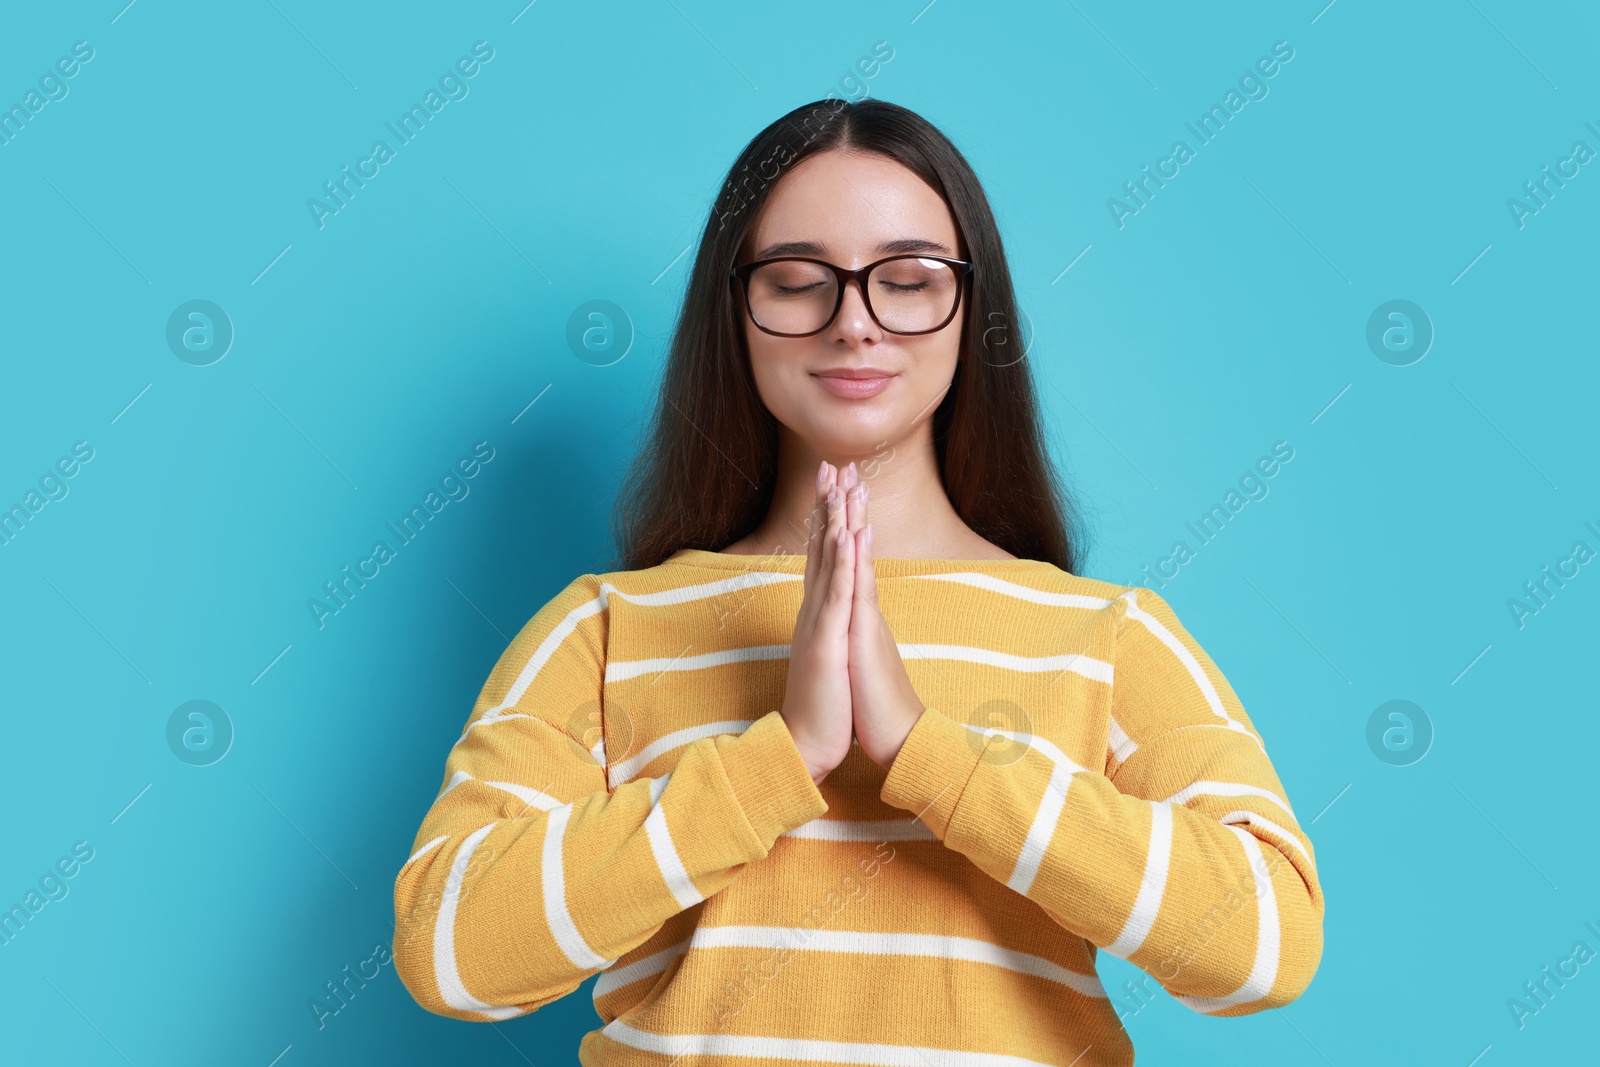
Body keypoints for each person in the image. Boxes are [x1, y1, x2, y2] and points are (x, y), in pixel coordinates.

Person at [392, 97, 1323, 1066]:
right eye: (798, 282)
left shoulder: (1104, 633)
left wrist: (934, 754)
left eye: (907, 280)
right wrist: (779, 758)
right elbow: (450, 953)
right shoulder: (605, 628)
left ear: (971, 308)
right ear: (735, 309)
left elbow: (1265, 948)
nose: (853, 323)